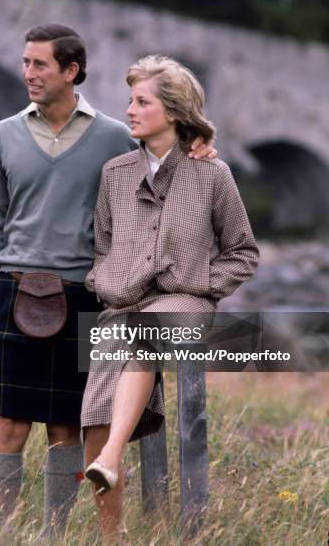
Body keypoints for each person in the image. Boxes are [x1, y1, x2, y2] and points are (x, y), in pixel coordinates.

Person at [0, 26, 216, 543]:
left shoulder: (111, 134)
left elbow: (165, 141)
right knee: (7, 424)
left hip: (83, 296)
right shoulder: (3, 134)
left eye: (40, 64)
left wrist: (204, 147)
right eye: (25, 63)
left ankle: (52, 535)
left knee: (65, 429)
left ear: (71, 71)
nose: (28, 74)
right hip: (13, 289)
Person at [81, 55, 259, 541]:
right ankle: (109, 534)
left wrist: (204, 282)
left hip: (186, 304)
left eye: (143, 102)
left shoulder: (212, 174)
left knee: (140, 335)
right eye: (130, 99)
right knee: (94, 407)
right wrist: (104, 277)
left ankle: (113, 456)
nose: (130, 110)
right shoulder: (115, 174)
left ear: (174, 112)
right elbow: (102, 244)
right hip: (123, 306)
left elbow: (243, 252)